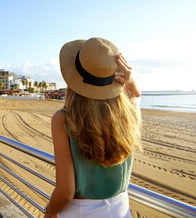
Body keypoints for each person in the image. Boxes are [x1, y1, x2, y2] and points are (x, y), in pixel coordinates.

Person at [45, 38, 142, 218]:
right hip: (121, 210)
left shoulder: (64, 120)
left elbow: (65, 192)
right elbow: (136, 94)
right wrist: (130, 78)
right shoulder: (129, 113)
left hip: (80, 212)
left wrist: (49, 212)